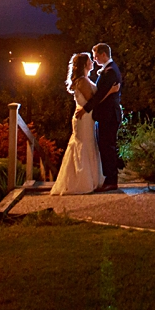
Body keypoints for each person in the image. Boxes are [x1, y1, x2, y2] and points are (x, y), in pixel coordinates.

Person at [49, 52, 113, 195]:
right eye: (90, 60)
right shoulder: (83, 81)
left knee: (87, 144)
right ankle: (82, 181)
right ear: (85, 64)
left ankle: (90, 179)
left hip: (86, 117)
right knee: (84, 145)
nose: (92, 62)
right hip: (83, 117)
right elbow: (93, 100)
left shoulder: (84, 79)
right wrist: (110, 92)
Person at [84, 42, 123, 191]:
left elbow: (100, 95)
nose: (94, 60)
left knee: (107, 147)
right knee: (106, 146)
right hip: (107, 115)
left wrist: (86, 109)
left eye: (96, 56)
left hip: (109, 115)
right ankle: (109, 178)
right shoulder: (109, 69)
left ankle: (111, 180)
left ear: (103, 54)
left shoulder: (110, 71)